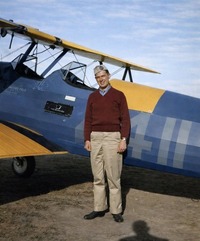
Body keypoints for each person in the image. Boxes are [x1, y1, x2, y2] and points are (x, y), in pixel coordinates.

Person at [83, 64, 130, 223]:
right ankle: (98, 208)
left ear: (108, 76)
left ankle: (116, 210)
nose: (100, 79)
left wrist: (123, 139)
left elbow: (126, 119)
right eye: (97, 77)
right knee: (97, 176)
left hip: (113, 138)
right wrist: (87, 139)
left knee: (113, 176)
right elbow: (88, 120)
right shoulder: (92, 97)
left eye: (103, 76)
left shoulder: (119, 95)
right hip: (95, 137)